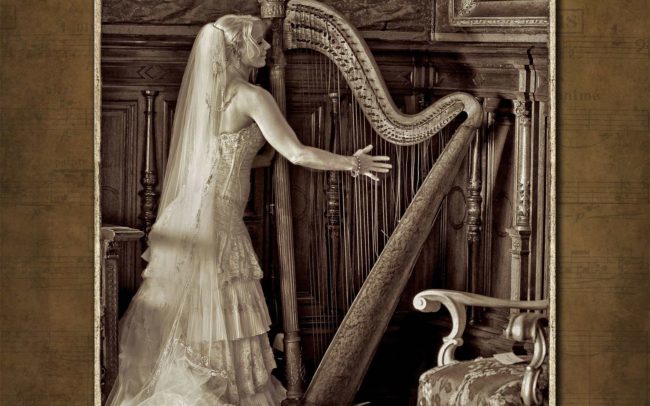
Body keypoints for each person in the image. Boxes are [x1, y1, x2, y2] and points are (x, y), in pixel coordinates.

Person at [106, 14, 391, 406]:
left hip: (187, 211)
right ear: (236, 48)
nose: (268, 48)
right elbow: (296, 152)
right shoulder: (253, 96)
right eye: (259, 41)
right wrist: (352, 164)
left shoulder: (210, 92)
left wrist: (259, 161)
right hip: (219, 218)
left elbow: (217, 156)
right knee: (217, 305)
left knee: (188, 311)